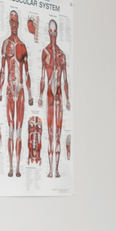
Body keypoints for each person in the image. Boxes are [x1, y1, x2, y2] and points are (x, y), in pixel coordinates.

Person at [0, 8, 33, 177]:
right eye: (12, 21)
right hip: (10, 91)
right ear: (9, 23)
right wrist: (0, 90)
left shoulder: (23, 47)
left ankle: (18, 168)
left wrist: (31, 95)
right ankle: (11, 168)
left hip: (21, 91)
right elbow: (2, 69)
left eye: (16, 22)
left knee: (19, 130)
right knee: (11, 129)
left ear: (18, 24)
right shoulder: (6, 45)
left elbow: (27, 73)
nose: (14, 25)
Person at [40, 18, 71, 177]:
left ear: (57, 33)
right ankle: (50, 170)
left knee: (57, 134)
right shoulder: (45, 53)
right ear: (48, 32)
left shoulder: (62, 55)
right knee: (50, 133)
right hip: (50, 96)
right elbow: (42, 78)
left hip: (58, 95)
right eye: (50, 32)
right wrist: (39, 96)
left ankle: (56, 170)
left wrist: (67, 99)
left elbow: (65, 79)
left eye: (54, 32)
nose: (52, 35)